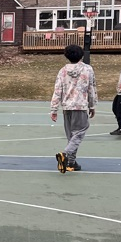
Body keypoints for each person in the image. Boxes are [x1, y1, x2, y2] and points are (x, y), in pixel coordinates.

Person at [50, 43, 97, 173]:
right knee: (80, 131)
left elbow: (57, 90)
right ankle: (65, 154)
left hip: (67, 106)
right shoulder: (88, 70)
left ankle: (71, 162)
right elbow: (91, 88)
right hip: (80, 105)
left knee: (71, 135)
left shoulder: (63, 71)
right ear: (81, 55)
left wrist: (54, 109)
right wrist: (92, 105)